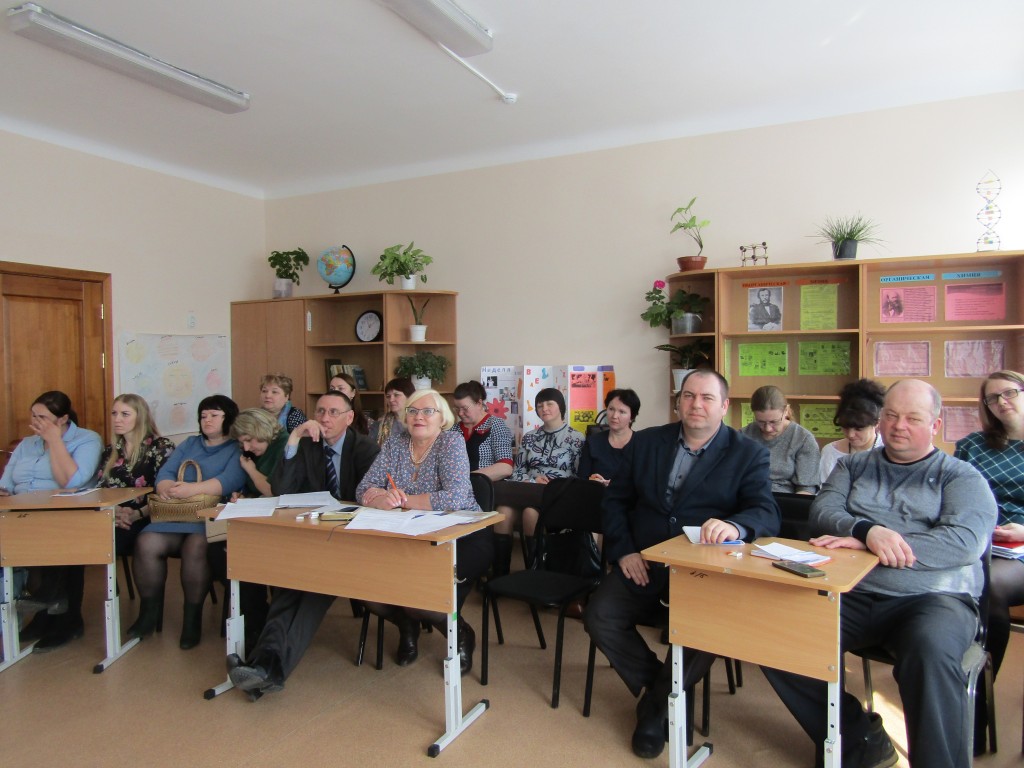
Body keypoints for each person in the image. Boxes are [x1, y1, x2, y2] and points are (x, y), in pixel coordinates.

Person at [763, 379, 996, 768]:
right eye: (891, 415)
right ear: (879, 418)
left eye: (912, 418)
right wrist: (867, 530)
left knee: (929, 652)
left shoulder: (960, 477)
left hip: (934, 600)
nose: (898, 425)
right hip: (852, 591)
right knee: (777, 637)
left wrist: (877, 545)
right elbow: (823, 512)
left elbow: (963, 542)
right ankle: (861, 739)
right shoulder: (852, 466)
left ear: (935, 425)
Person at [584, 370, 779, 759]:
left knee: (707, 629)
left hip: (702, 573)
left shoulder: (747, 453)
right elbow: (615, 501)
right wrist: (624, 551)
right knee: (599, 615)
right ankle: (663, 688)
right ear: (678, 402)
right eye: (688, 396)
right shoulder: (646, 442)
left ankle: (656, 706)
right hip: (644, 561)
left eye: (707, 398)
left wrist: (736, 526)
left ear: (724, 406)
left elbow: (766, 511)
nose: (696, 405)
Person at [226, 390, 379, 698]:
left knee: (313, 589)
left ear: (349, 418)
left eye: (334, 412)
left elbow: (370, 498)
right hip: (314, 538)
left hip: (352, 542)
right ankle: (266, 669)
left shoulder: (365, 448)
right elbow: (281, 489)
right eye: (320, 411)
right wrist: (294, 437)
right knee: (290, 584)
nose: (325, 418)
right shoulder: (308, 444)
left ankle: (266, 667)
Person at [355, 389, 490, 674]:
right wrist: (380, 499)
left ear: (443, 418)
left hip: (461, 536)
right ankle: (407, 625)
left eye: (428, 411)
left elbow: (455, 498)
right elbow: (364, 488)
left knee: (422, 598)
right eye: (413, 411)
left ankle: (462, 634)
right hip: (408, 536)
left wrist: (402, 500)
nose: (419, 417)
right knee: (369, 592)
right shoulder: (395, 443)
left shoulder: (450, 442)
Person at [127, 395, 246, 649]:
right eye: (203, 416)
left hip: (208, 518)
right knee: (146, 541)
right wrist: (166, 486)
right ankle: (148, 614)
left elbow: (230, 480)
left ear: (228, 418)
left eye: (214, 415)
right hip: (174, 514)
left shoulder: (236, 447)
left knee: (196, 546)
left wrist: (191, 489)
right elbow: (166, 472)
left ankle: (192, 620)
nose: (207, 420)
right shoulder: (190, 443)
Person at [0, 391, 102, 651]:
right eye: (33, 416)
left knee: (58, 536)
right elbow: (7, 482)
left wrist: (55, 441)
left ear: (63, 419)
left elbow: (73, 481)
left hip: (66, 514)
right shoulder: (26, 444)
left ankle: (65, 620)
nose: (35, 422)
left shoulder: (87, 439)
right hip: (21, 514)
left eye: (42, 417)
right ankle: (46, 614)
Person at [954, 370, 1024, 738]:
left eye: (1009, 393)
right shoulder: (972, 446)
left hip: (1020, 548)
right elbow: (952, 495)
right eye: (992, 398)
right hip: (979, 540)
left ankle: (977, 704)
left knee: (989, 586)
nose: (1001, 402)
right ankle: (945, 679)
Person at [207, 408, 289, 646]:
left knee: (246, 555)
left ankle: (257, 619)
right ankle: (253, 613)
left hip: (281, 519)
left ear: (262, 432)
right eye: (242, 442)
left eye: (249, 440)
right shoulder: (257, 449)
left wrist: (250, 470)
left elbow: (272, 490)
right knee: (216, 551)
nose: (246, 447)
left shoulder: (284, 446)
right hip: (257, 516)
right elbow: (254, 490)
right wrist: (242, 496)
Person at [494, 388, 585, 574]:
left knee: (530, 513)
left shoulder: (576, 437)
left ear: (561, 407)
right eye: (540, 405)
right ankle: (499, 575)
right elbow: (517, 472)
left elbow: (579, 476)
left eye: (550, 404)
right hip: (529, 491)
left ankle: (537, 573)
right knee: (502, 511)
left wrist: (554, 483)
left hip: (559, 494)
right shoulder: (529, 437)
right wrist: (532, 479)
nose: (544, 408)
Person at [96, 394, 175, 575]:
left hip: (148, 515)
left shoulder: (161, 447)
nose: (117, 419)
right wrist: (115, 512)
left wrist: (136, 514)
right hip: (115, 517)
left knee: (112, 541)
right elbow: (100, 490)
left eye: (125, 414)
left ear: (140, 417)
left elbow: (167, 493)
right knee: (81, 538)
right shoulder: (111, 451)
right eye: (114, 413)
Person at [741, 385, 820, 494]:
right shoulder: (743, 436)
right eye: (761, 422)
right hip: (746, 496)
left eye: (774, 422)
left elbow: (807, 488)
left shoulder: (803, 439)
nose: (768, 428)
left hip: (784, 499)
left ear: (786, 411)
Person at [819, 379, 885, 484]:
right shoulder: (830, 452)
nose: (850, 435)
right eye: (845, 427)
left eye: (859, 429)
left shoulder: (889, 451)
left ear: (876, 423)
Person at [577, 388, 641, 485]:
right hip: (598, 493)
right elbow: (581, 479)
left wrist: (614, 486)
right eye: (611, 409)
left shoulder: (641, 444)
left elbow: (646, 482)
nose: (614, 416)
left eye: (622, 412)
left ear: (632, 417)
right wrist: (592, 482)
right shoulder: (593, 442)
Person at [370, 377, 415, 446]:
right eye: (388, 396)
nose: (391, 400)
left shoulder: (419, 422)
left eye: (396, 395)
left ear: (409, 397)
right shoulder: (379, 425)